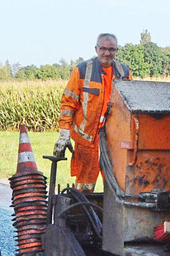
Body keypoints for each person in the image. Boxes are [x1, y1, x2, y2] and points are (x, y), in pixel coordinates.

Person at [54, 33, 132, 193]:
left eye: (111, 49)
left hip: (114, 140)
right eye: (103, 48)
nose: (107, 53)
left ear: (116, 51)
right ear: (96, 49)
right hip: (87, 139)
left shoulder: (124, 72)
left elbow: (131, 105)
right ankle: (83, 214)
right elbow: (68, 102)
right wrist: (64, 133)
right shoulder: (82, 71)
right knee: (84, 185)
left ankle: (108, 216)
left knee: (115, 186)